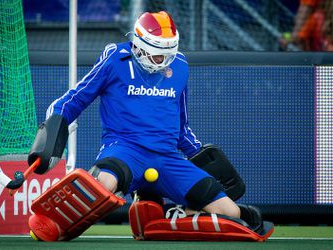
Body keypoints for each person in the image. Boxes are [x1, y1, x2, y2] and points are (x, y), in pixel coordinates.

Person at [27, 11, 265, 241]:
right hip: (124, 150)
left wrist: (201, 156)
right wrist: (52, 135)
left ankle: (158, 218)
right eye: (158, 55)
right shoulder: (115, 57)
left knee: (230, 213)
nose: (164, 62)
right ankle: (51, 223)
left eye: (169, 54)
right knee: (104, 184)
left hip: (167, 157)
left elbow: (181, 126)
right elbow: (71, 101)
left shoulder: (180, 65)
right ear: (139, 45)